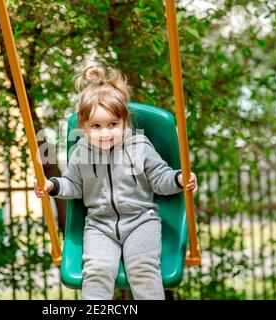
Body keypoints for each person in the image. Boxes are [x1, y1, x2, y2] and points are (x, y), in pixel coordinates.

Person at [34, 63, 198, 300]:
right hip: (99, 226)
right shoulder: (82, 152)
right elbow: (74, 185)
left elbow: (160, 178)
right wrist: (53, 186)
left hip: (142, 221)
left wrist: (179, 178)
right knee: (96, 273)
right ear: (84, 127)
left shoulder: (140, 147)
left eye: (113, 124)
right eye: (96, 127)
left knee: (143, 271)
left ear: (125, 122)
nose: (105, 133)